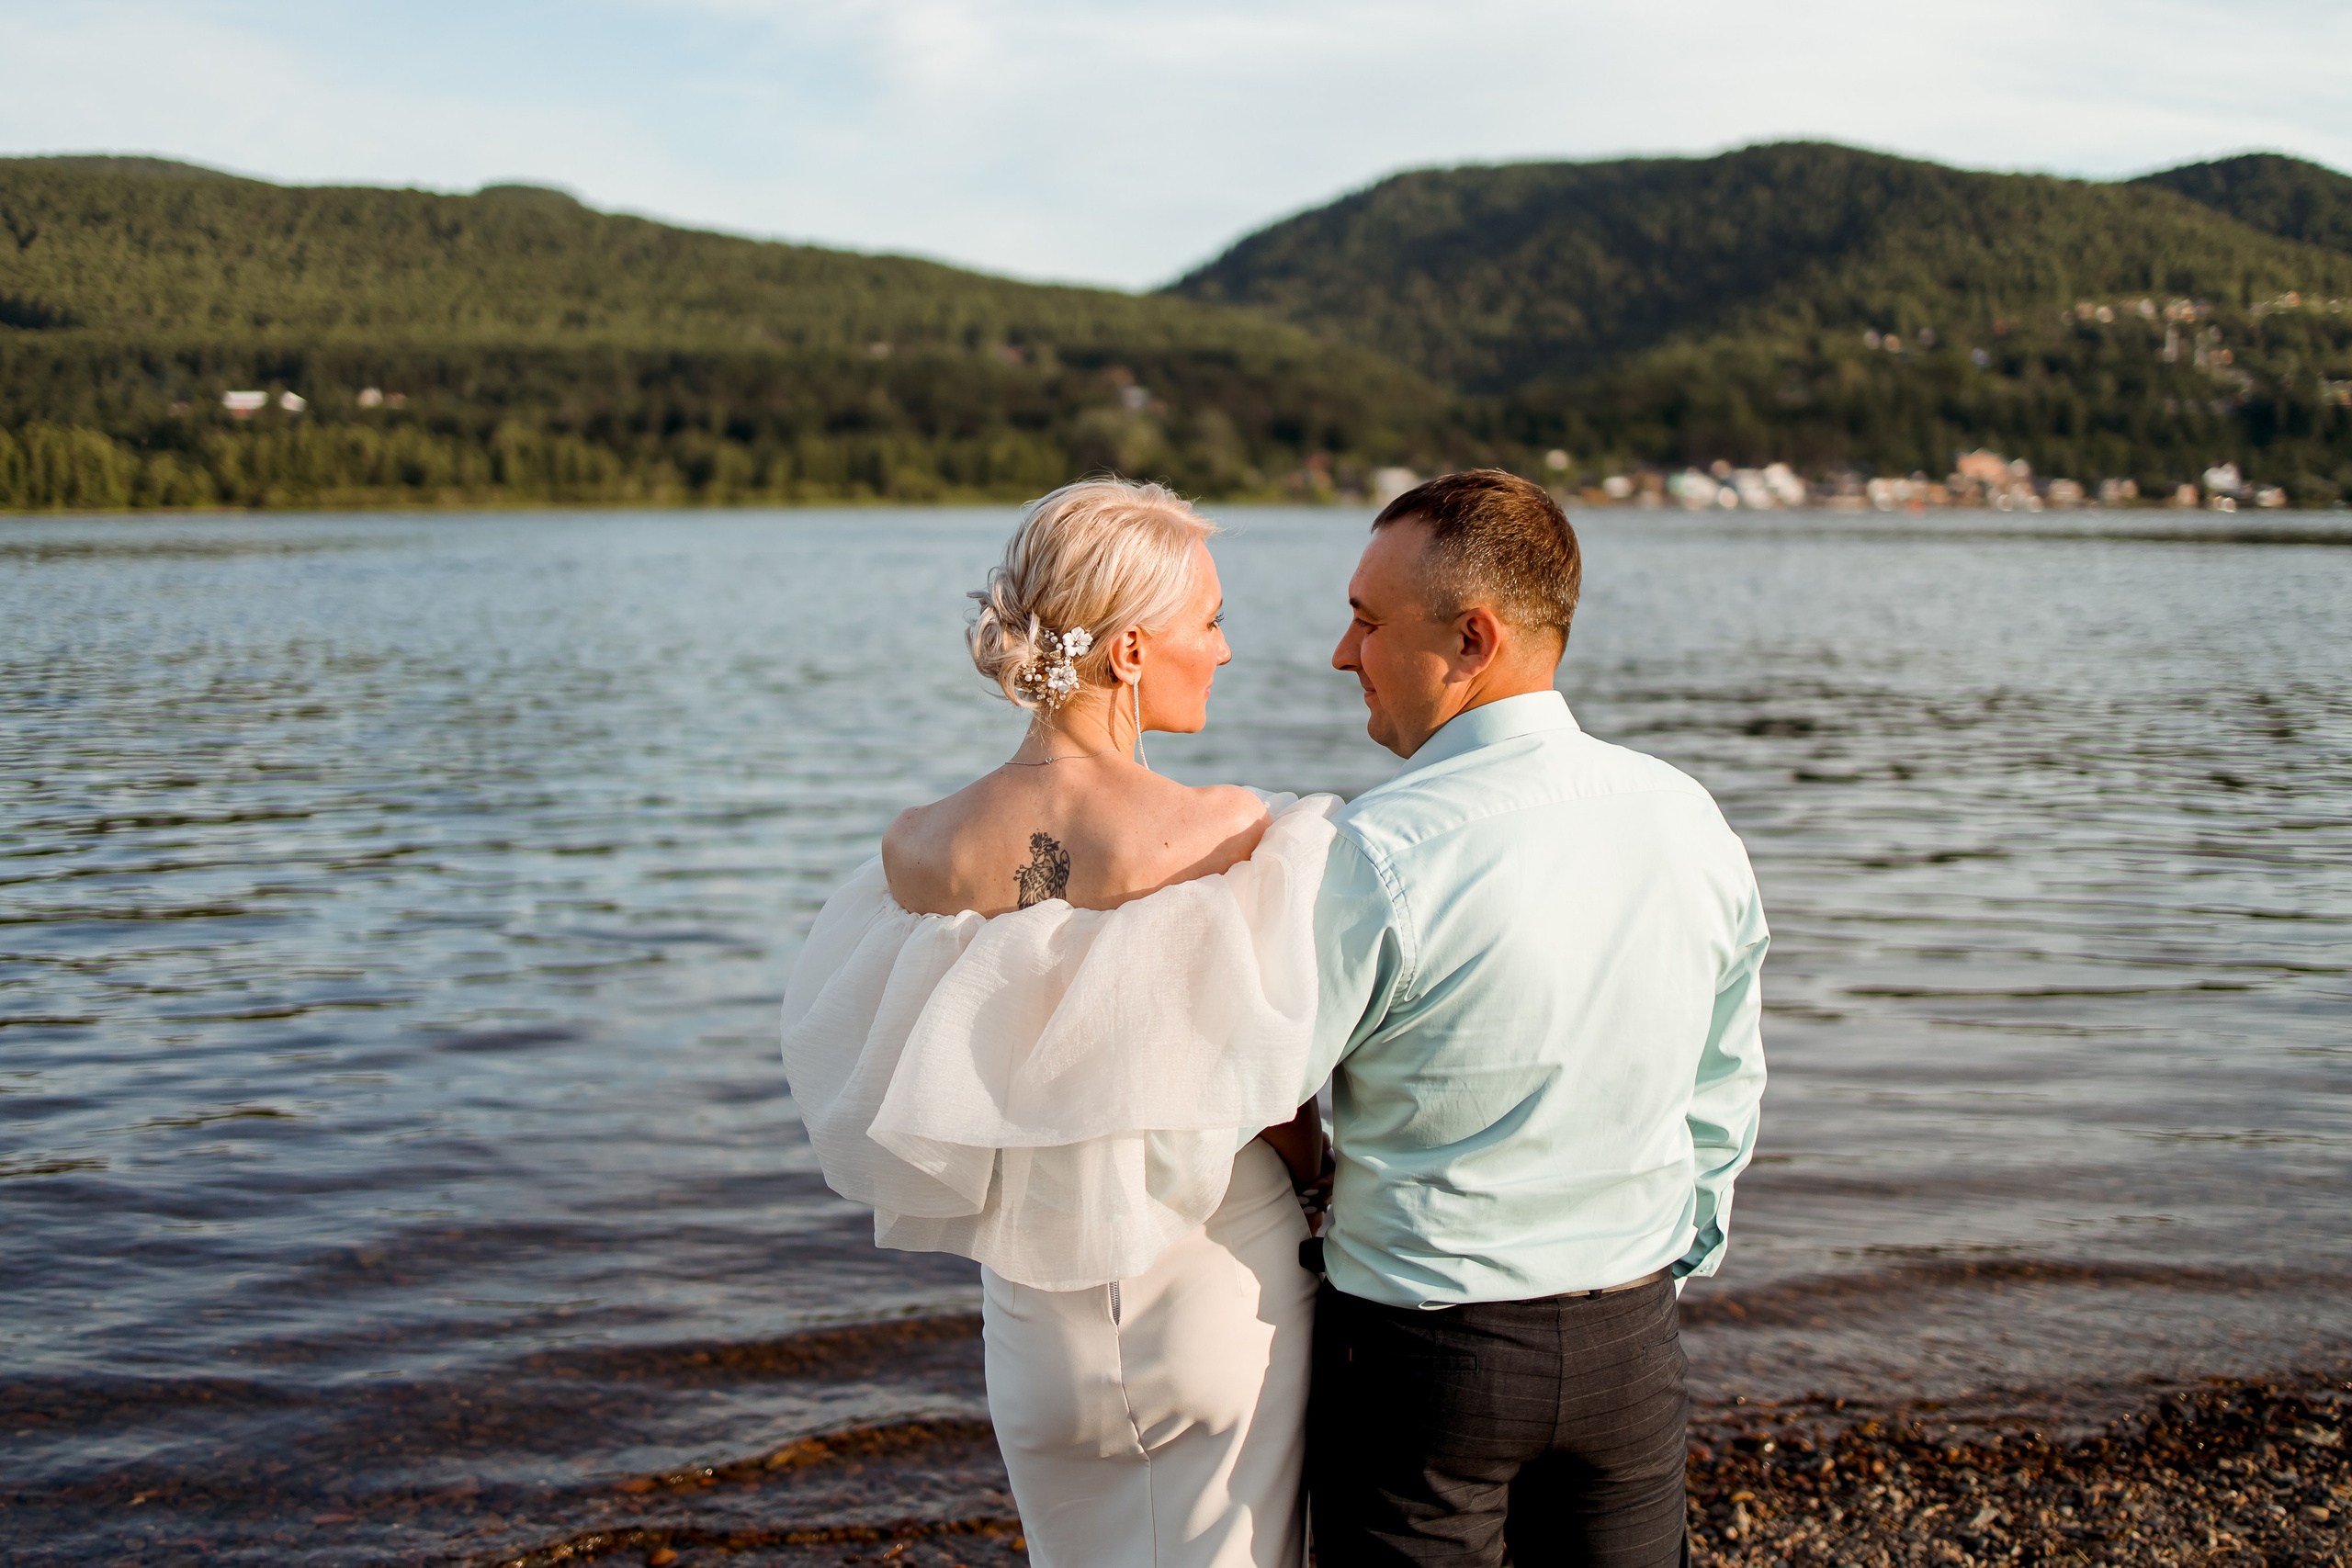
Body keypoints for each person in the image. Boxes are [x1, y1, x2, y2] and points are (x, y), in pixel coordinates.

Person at [779, 479, 1331, 1568]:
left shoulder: (919, 849)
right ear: (1129, 651)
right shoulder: (1221, 830)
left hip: (1034, 1324)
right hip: (1213, 1276)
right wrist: (1320, 1177)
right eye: (1208, 621)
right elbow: (1269, 1073)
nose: (1223, 650)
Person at [1300, 470, 1770, 1568]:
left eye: (1366, 624)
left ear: (1472, 638)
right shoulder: (1686, 817)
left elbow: (1266, 1087)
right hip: (1631, 1342)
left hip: (1428, 1361)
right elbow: (1723, 1083)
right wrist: (1668, 1264)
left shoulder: (1376, 850)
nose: (1340, 654)